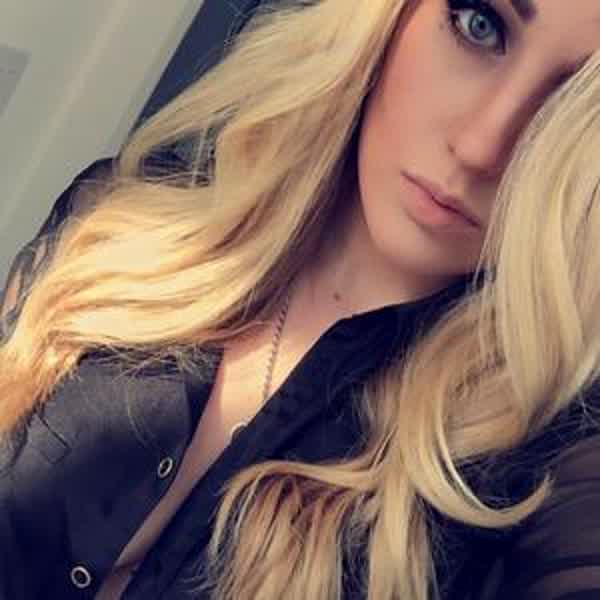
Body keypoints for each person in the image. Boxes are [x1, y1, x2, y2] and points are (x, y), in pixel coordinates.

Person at [2, 0, 600, 598]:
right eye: (479, 24)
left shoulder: (546, 459)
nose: (479, 147)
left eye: (575, 108)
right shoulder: (118, 225)